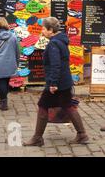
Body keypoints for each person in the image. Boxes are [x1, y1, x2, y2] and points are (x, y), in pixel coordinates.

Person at [23, 17, 88, 146]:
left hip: (57, 83)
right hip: (64, 81)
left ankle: (37, 138)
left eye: (43, 28)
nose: (42, 31)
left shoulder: (53, 44)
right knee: (68, 106)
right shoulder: (61, 41)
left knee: (43, 105)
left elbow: (55, 64)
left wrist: (53, 83)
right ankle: (82, 134)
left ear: (50, 30)